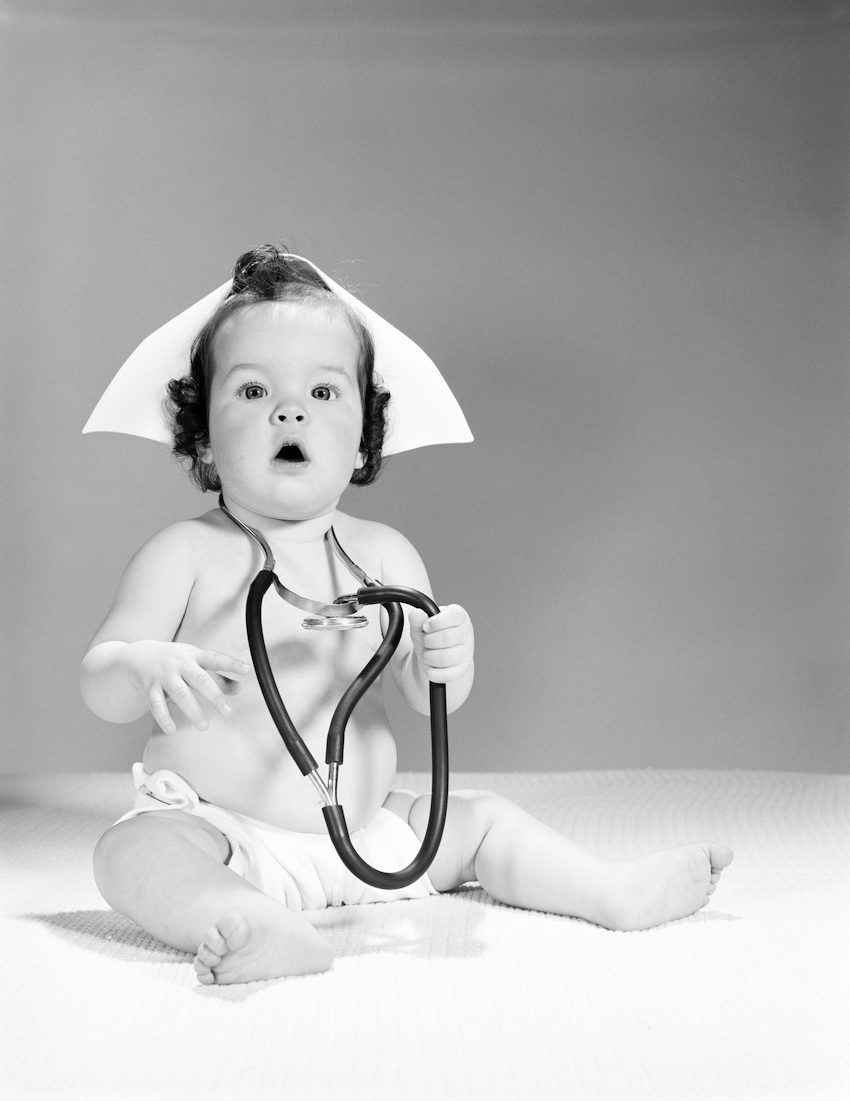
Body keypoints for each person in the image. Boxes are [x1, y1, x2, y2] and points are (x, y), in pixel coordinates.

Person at [81, 247, 733, 986]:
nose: (289, 410)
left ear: (364, 437)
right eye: (254, 390)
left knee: (481, 817)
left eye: (324, 393)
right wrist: (141, 666)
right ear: (200, 433)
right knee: (131, 852)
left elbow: (436, 699)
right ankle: (259, 924)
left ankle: (608, 891)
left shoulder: (384, 555)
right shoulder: (186, 553)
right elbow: (99, 680)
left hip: (369, 839)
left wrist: (446, 662)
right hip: (227, 835)